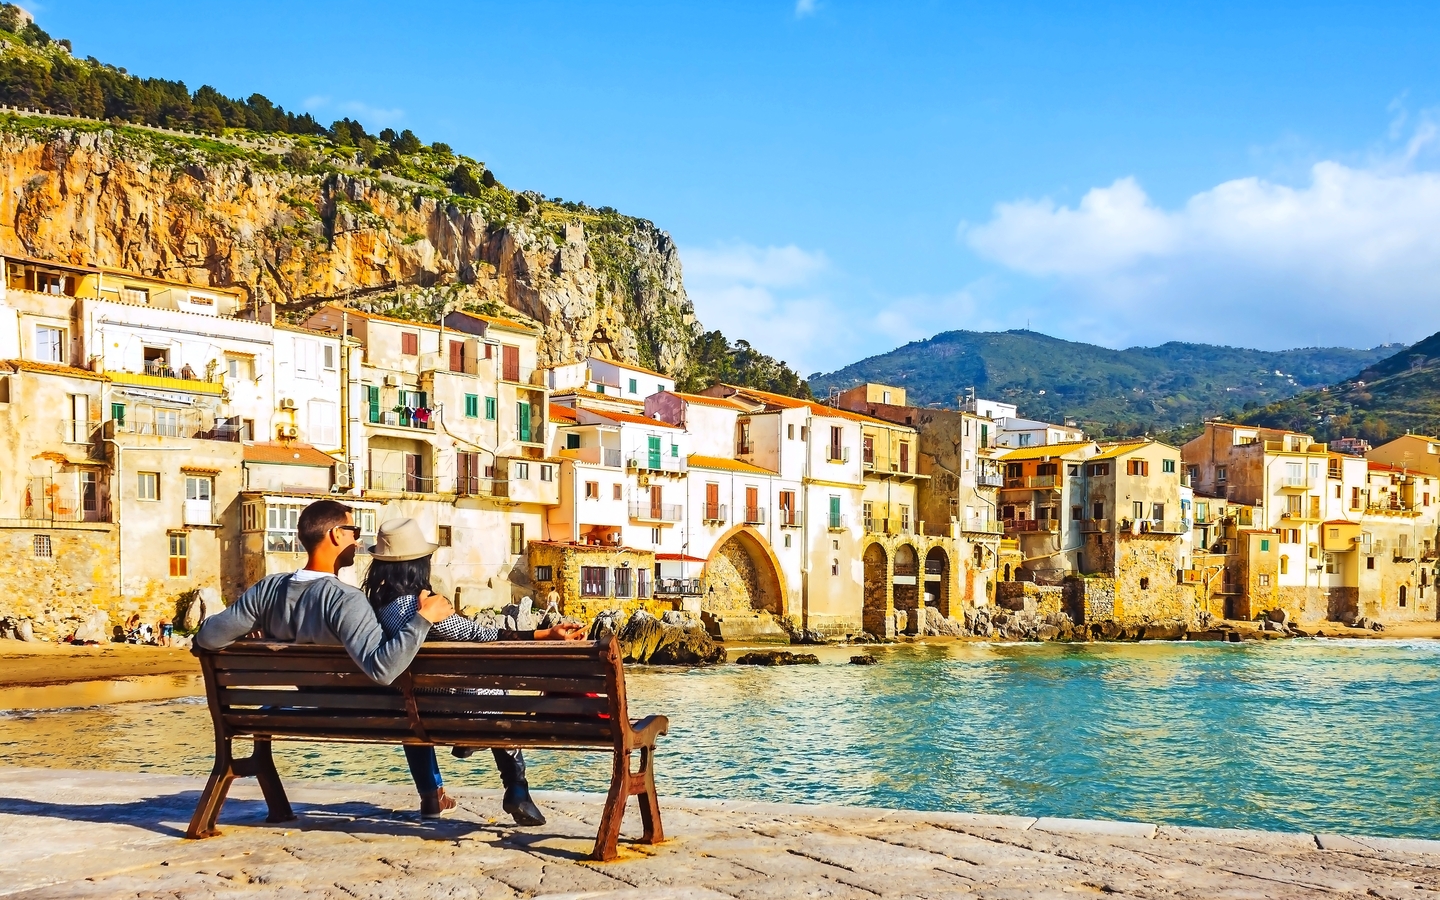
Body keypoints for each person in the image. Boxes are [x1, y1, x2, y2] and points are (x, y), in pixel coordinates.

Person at [361, 517, 585, 823]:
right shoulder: (427, 609)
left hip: (414, 712)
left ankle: (431, 796)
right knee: (496, 696)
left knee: (416, 710)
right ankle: (516, 787)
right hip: (468, 710)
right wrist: (544, 635)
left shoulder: (375, 610)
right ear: (419, 566)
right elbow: (482, 635)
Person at [196, 499, 454, 693]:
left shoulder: (268, 589)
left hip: (301, 705)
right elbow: (383, 670)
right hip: (352, 710)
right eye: (355, 530)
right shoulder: (346, 599)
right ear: (336, 534)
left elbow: (209, 637)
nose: (358, 541)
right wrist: (423, 618)